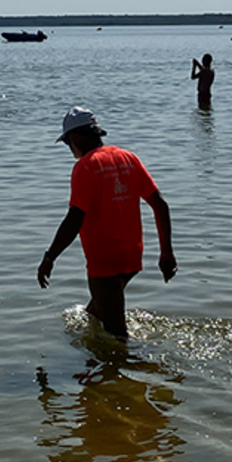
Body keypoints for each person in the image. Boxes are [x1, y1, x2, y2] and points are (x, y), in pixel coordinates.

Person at [37, 107, 176, 341]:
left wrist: (50, 257)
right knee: (94, 315)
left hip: (105, 260)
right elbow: (160, 205)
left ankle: (151, 367)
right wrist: (166, 254)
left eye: (67, 143)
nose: (69, 149)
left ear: (77, 138)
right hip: (131, 256)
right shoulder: (128, 158)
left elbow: (74, 219)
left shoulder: (85, 167)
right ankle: (96, 361)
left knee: (117, 337)